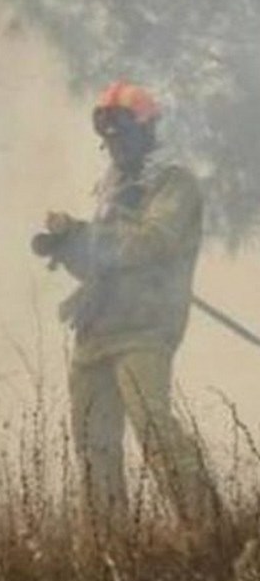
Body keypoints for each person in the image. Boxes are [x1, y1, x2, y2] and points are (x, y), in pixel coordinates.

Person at [32, 81, 217, 525]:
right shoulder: (111, 186)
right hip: (96, 330)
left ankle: (212, 535)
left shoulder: (174, 183)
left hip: (144, 329)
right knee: (94, 447)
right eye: (107, 134)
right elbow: (103, 262)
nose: (113, 143)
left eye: (123, 132)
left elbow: (153, 243)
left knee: (156, 432)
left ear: (149, 130)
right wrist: (70, 245)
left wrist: (87, 236)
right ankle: (106, 554)